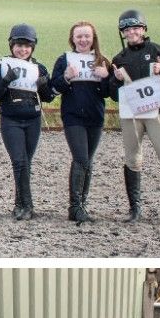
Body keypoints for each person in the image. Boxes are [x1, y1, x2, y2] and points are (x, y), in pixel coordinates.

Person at [109, 9, 160, 227]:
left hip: (156, 113)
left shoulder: (158, 51)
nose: (132, 32)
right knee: (133, 160)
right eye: (127, 29)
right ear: (122, 32)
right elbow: (113, 94)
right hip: (131, 116)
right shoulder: (119, 59)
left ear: (143, 29)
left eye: (136, 28)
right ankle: (134, 209)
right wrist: (116, 80)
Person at [0, 24, 56, 220]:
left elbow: (48, 97)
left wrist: (44, 86)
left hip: (33, 119)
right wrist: (5, 80)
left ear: (33, 47)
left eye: (27, 46)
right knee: (19, 161)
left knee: (26, 162)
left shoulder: (39, 67)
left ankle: (19, 204)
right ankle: (28, 205)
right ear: (11, 46)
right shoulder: (2, 66)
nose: (22, 50)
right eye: (18, 45)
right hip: (11, 118)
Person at [50, 21, 112, 225]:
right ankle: (74, 206)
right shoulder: (64, 59)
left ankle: (81, 205)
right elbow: (53, 88)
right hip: (73, 116)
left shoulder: (102, 60)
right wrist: (66, 77)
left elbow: (108, 92)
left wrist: (105, 78)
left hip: (95, 117)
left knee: (88, 161)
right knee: (81, 159)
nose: (83, 40)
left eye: (87, 36)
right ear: (72, 39)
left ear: (93, 38)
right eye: (79, 36)